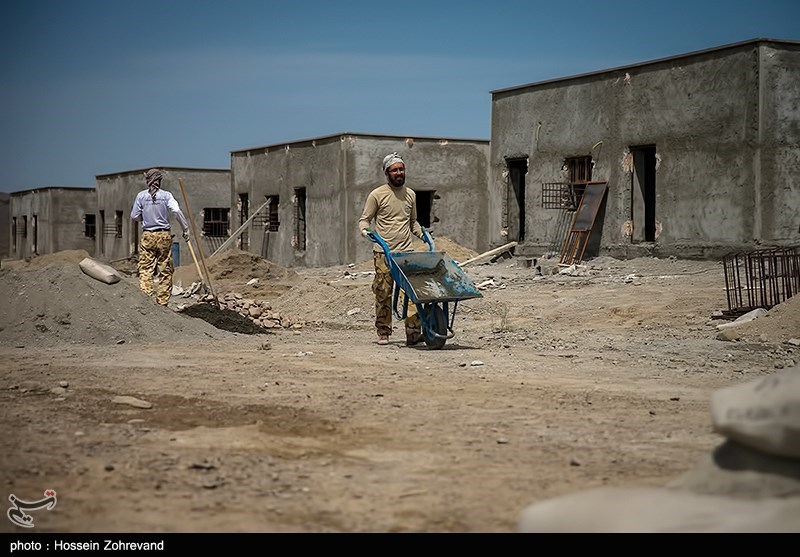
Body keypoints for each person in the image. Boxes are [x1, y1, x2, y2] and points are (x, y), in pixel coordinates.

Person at [358, 152, 425, 346]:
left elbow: (413, 223)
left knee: (412, 294)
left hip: (406, 253)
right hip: (383, 253)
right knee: (383, 292)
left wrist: (424, 235)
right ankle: (383, 332)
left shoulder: (411, 194)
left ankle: (413, 334)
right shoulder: (377, 195)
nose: (399, 173)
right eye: (394, 170)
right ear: (387, 173)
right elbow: (364, 220)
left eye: (401, 169)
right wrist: (365, 232)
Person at [130, 168, 190, 306]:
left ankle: (146, 299)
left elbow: (134, 216)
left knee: (146, 268)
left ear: (148, 180)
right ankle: (162, 302)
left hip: (148, 235)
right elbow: (176, 210)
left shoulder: (141, 196)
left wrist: (145, 218)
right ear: (159, 181)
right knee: (165, 268)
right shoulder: (166, 195)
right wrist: (185, 229)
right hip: (164, 235)